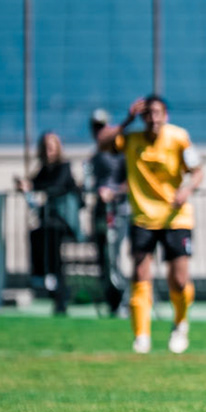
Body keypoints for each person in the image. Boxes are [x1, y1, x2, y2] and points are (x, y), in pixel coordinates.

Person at [96, 95, 203, 354]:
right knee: (141, 274)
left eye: (158, 113)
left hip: (175, 218)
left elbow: (197, 171)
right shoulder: (130, 139)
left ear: (165, 115)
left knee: (178, 280)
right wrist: (126, 120)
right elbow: (102, 144)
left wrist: (186, 191)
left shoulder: (179, 137)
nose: (153, 119)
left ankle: (180, 324)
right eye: (148, 114)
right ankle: (141, 336)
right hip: (143, 218)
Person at [16, 132, 81, 316]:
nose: (49, 149)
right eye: (45, 146)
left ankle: (58, 292)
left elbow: (55, 185)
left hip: (65, 222)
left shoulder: (64, 167)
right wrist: (25, 186)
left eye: (52, 145)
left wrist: (32, 186)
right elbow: (35, 183)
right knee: (36, 234)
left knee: (51, 245)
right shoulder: (44, 168)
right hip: (49, 225)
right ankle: (42, 275)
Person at [84, 110, 129, 317]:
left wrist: (114, 192)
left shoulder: (121, 154)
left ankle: (123, 299)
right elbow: (89, 183)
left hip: (119, 212)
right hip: (101, 211)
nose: (98, 131)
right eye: (95, 127)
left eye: (102, 127)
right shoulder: (93, 157)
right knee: (103, 257)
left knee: (114, 256)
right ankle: (111, 299)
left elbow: (132, 182)